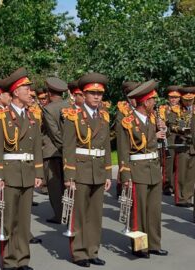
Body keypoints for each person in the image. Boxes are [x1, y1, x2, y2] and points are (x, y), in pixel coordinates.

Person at [0, 67, 44, 270]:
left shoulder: (32, 117)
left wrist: (38, 172)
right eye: (26, 89)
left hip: (27, 172)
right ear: (15, 92)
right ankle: (9, 260)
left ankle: (22, 258)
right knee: (9, 219)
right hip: (10, 171)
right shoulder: (1, 116)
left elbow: (37, 146)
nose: (30, 92)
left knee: (24, 220)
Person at [62, 72, 112, 268]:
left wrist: (108, 173)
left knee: (95, 214)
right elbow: (68, 147)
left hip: (98, 170)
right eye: (92, 93)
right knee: (80, 213)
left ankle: (92, 250)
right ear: (83, 94)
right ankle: (79, 252)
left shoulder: (104, 117)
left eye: (99, 94)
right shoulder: (73, 116)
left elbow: (107, 147)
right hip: (81, 170)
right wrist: (70, 176)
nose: (97, 97)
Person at [118, 79, 169, 258]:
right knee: (138, 213)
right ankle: (140, 247)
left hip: (153, 169)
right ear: (146, 102)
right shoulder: (127, 122)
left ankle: (154, 244)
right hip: (137, 170)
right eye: (153, 100)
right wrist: (125, 176)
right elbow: (123, 151)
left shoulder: (151, 119)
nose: (155, 103)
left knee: (154, 210)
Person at [42, 77, 70, 224]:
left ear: (49, 93)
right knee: (67, 183)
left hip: (52, 150)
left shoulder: (48, 108)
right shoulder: (70, 105)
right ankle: (69, 212)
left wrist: (63, 147)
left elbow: (54, 133)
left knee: (54, 186)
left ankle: (59, 215)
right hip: (69, 151)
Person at [167, 86, 195, 207]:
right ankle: (180, 198)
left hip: (193, 146)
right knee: (181, 173)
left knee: (191, 174)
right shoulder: (176, 109)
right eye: (186, 99)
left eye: (191, 99)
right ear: (182, 99)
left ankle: (188, 197)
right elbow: (171, 125)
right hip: (182, 144)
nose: (188, 102)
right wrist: (181, 129)